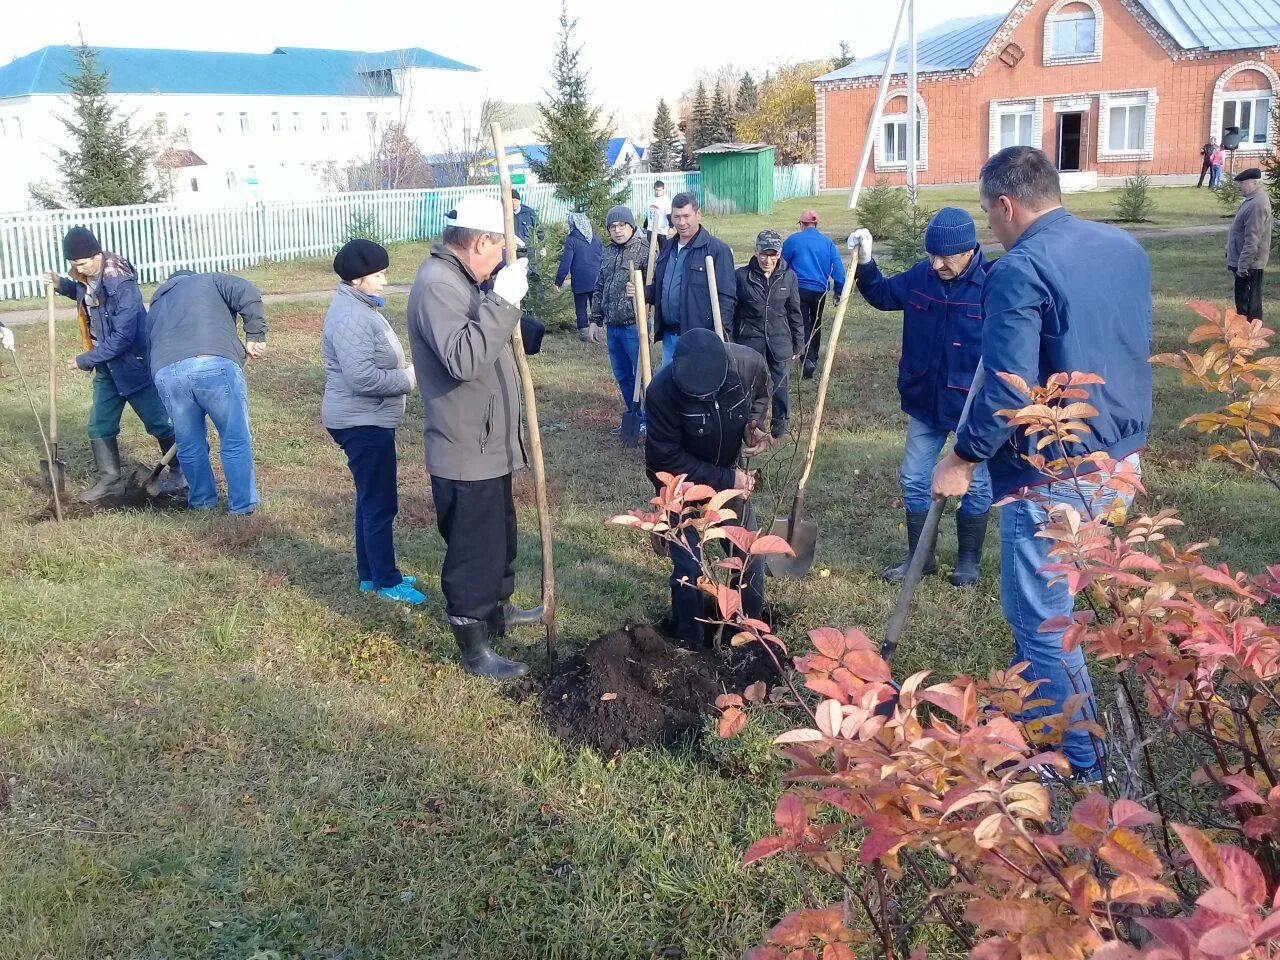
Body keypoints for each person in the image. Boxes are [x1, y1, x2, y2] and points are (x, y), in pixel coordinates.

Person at [932, 146, 1153, 783]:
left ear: (1006, 204)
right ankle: (1038, 716)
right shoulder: (1123, 249)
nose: (990, 227)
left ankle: (1079, 763)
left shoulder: (1019, 269)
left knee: (1040, 615)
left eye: (987, 212)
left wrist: (964, 458)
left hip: (1059, 470)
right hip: (1120, 457)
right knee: (1061, 602)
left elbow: (1008, 389)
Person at [407, 195, 542, 681]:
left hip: (490, 446)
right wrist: (502, 300)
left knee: (499, 541)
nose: (501, 257)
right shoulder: (436, 285)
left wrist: (513, 313)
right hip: (466, 449)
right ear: (480, 240)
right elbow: (464, 359)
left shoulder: (464, 281)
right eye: (499, 247)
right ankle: (474, 646)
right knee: (474, 552)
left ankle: (497, 613)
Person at [850, 207, 992, 586]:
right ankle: (920, 559)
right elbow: (881, 295)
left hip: (972, 408)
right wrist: (866, 262)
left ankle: (968, 562)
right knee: (914, 479)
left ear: (969, 250)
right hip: (925, 401)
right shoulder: (920, 276)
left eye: (946, 256)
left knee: (976, 484)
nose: (937, 263)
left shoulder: (993, 285)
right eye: (932, 254)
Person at [644, 328, 772, 646]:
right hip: (681, 487)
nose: (703, 398)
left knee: (749, 555)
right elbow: (667, 460)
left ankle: (743, 636)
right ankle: (690, 643)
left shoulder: (746, 364)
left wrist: (752, 426)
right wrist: (729, 480)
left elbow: (760, 395)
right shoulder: (661, 391)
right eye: (695, 396)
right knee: (689, 566)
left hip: (729, 478)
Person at [43, 227, 180, 505]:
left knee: (158, 423)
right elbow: (88, 296)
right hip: (107, 369)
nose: (77, 269)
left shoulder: (121, 284)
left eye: (81, 263)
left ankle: (181, 471)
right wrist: (62, 284)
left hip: (134, 365)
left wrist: (86, 359)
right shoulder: (88, 276)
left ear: (97, 255)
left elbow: (123, 337)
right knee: (99, 425)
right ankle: (110, 481)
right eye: (72, 265)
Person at [322, 240, 423, 604]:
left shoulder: (360, 307)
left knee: (369, 498)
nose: (383, 281)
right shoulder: (351, 316)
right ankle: (386, 580)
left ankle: (370, 574)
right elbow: (362, 378)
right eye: (378, 274)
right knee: (380, 503)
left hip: (365, 418)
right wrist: (411, 378)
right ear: (357, 279)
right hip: (361, 422)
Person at [147, 269, 266, 516]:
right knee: (234, 437)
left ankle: (202, 503)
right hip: (211, 364)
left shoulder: (157, 301)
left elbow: (148, 343)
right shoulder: (210, 279)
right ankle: (242, 505)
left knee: (188, 443)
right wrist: (255, 334)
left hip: (166, 374)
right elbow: (247, 291)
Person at [644, 192, 736, 365]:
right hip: (670, 337)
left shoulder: (716, 250)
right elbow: (661, 287)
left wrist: (719, 337)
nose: (681, 222)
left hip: (699, 339)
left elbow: (726, 298)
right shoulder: (668, 248)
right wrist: (645, 292)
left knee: (696, 389)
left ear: (698, 215)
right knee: (671, 387)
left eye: (686, 216)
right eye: (676, 217)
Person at [731, 229, 804, 439]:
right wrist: (731, 341)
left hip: (780, 342)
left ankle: (780, 429)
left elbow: (794, 312)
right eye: (764, 254)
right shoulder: (741, 277)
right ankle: (754, 427)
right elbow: (733, 312)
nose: (768, 260)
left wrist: (799, 344)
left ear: (780, 254)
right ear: (756, 251)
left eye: (773, 255)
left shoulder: (789, 277)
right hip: (750, 342)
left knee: (781, 386)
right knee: (754, 387)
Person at [592, 204, 650, 434]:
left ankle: (651, 419)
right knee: (623, 375)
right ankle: (634, 415)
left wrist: (642, 290)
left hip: (635, 324)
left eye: (622, 225)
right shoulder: (608, 252)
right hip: (612, 325)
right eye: (612, 227)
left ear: (631, 225)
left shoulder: (644, 250)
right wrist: (595, 320)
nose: (617, 230)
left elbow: (655, 286)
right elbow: (600, 286)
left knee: (644, 375)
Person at [781, 210, 847, 379]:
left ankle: (803, 356)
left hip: (798, 289)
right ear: (816, 225)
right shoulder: (827, 243)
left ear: (802, 224)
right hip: (820, 291)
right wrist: (839, 291)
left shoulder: (794, 240)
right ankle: (812, 359)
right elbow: (839, 269)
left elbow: (780, 263)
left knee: (800, 322)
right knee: (816, 322)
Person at [1227, 167, 1273, 320]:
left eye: (1243, 183)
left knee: (1248, 305)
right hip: (1244, 262)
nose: (1240, 186)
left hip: (1249, 266)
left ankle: (1250, 338)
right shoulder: (1251, 200)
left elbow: (1253, 239)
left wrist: (1243, 266)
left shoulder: (1256, 205)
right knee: (1243, 302)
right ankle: (1244, 336)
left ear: (1255, 183)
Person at [554, 211, 603, 342]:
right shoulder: (595, 238)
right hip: (597, 279)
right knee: (596, 306)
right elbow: (602, 257)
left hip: (580, 280)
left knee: (581, 307)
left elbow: (566, 262)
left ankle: (584, 333)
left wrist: (558, 282)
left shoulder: (572, 240)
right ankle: (598, 331)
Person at [646, 180, 672, 253]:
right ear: (654, 189)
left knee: (663, 249)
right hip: (651, 228)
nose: (658, 192)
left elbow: (669, 215)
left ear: (663, 190)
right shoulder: (650, 199)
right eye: (656, 190)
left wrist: (671, 227)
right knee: (649, 248)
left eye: (660, 190)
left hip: (662, 229)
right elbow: (648, 214)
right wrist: (645, 226)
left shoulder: (666, 201)